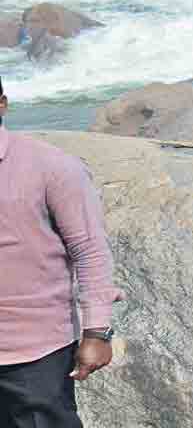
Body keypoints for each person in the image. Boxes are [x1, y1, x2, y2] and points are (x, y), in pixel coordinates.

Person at [0, 77, 121, 428]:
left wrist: (97, 333)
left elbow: (90, 251)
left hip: (34, 354)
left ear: (3, 104)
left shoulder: (53, 168)